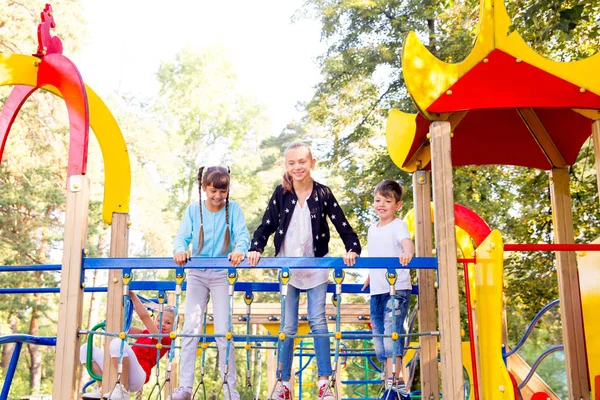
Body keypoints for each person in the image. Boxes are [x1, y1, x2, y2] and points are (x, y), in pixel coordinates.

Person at [247, 142, 361, 400]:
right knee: (287, 325)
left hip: (316, 267)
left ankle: (324, 382)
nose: (297, 167)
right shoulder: (281, 193)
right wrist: (256, 248)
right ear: (286, 165)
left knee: (318, 320)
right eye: (292, 163)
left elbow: (342, 224)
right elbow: (266, 225)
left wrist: (352, 248)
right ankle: (283, 382)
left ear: (312, 163)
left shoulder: (323, 193)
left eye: (302, 162)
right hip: (288, 269)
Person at [171, 166, 249, 400]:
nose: (217, 196)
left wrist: (240, 250)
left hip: (221, 275)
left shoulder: (232, 209)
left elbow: (242, 235)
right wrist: (180, 250)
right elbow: (181, 236)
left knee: (224, 331)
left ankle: (229, 387)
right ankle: (185, 386)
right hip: (196, 274)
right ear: (204, 188)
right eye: (213, 190)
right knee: (191, 329)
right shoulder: (194, 210)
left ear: (227, 190)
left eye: (222, 191)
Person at [361, 180, 414, 400]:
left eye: (387, 201)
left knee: (392, 332)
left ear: (398, 205)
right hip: (378, 289)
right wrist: (370, 275)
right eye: (377, 200)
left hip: (396, 288)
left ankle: (395, 383)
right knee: (379, 335)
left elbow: (407, 243)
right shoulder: (372, 229)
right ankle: (393, 382)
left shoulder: (398, 224)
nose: (381, 204)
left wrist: (408, 253)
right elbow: (375, 256)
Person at [80, 291, 174, 400]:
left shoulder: (166, 338)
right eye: (159, 320)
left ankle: (122, 390)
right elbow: (124, 327)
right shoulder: (146, 333)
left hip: (137, 376)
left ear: (174, 327)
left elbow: (145, 317)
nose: (162, 324)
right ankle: (102, 387)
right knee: (85, 349)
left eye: (168, 323)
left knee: (117, 344)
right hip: (121, 369)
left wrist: (132, 295)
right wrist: (111, 315)